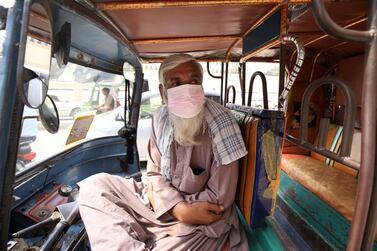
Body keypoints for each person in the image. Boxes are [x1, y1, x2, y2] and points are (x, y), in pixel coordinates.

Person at [78, 54, 249, 250]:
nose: (186, 90)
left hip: (200, 221)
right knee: (96, 186)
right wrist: (177, 208)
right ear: (162, 91)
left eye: (193, 81)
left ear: (201, 86)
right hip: (160, 205)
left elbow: (220, 200)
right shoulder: (160, 117)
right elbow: (153, 173)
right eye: (175, 83)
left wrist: (182, 211)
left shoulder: (222, 124)